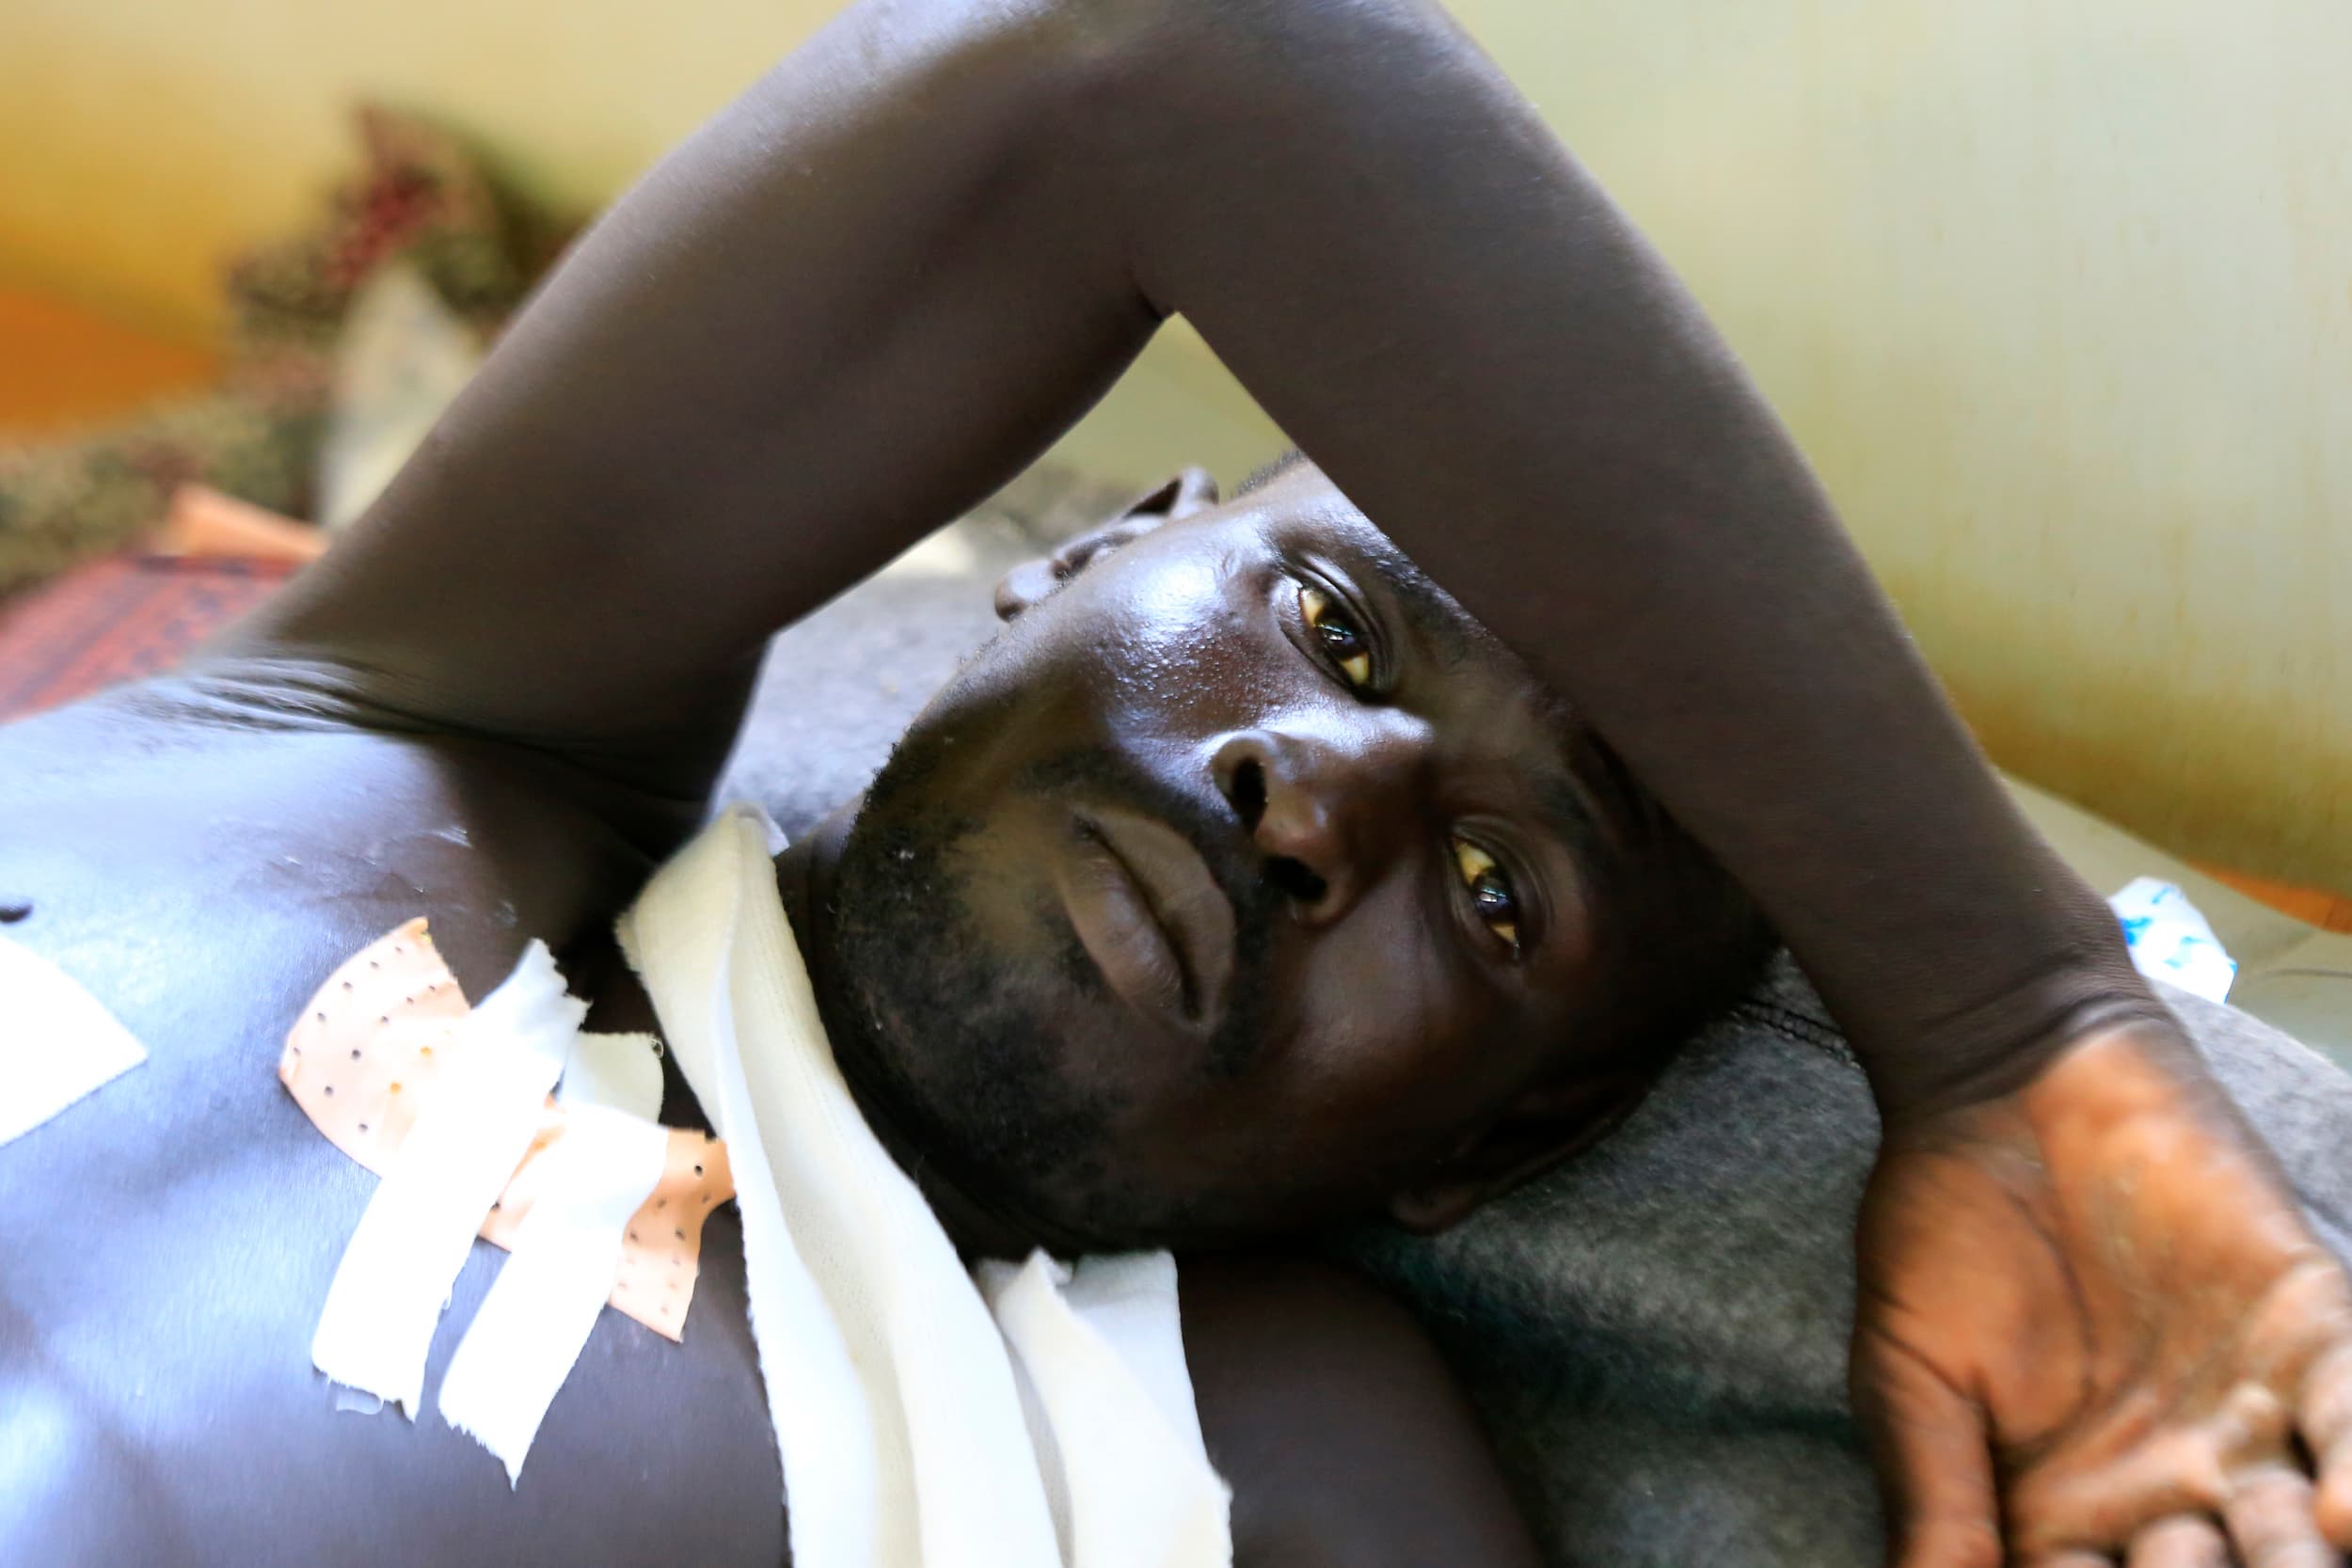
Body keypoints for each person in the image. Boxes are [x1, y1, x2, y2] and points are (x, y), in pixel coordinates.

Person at [3, 0, 2348, 1563]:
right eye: (1332, 628)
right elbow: (1186, 52)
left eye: (1501, 893)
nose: (1312, 803)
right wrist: (2014, 1024)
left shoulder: (1261, 1467)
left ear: (1496, 1139)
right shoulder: (404, 715)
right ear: (1092, 550)